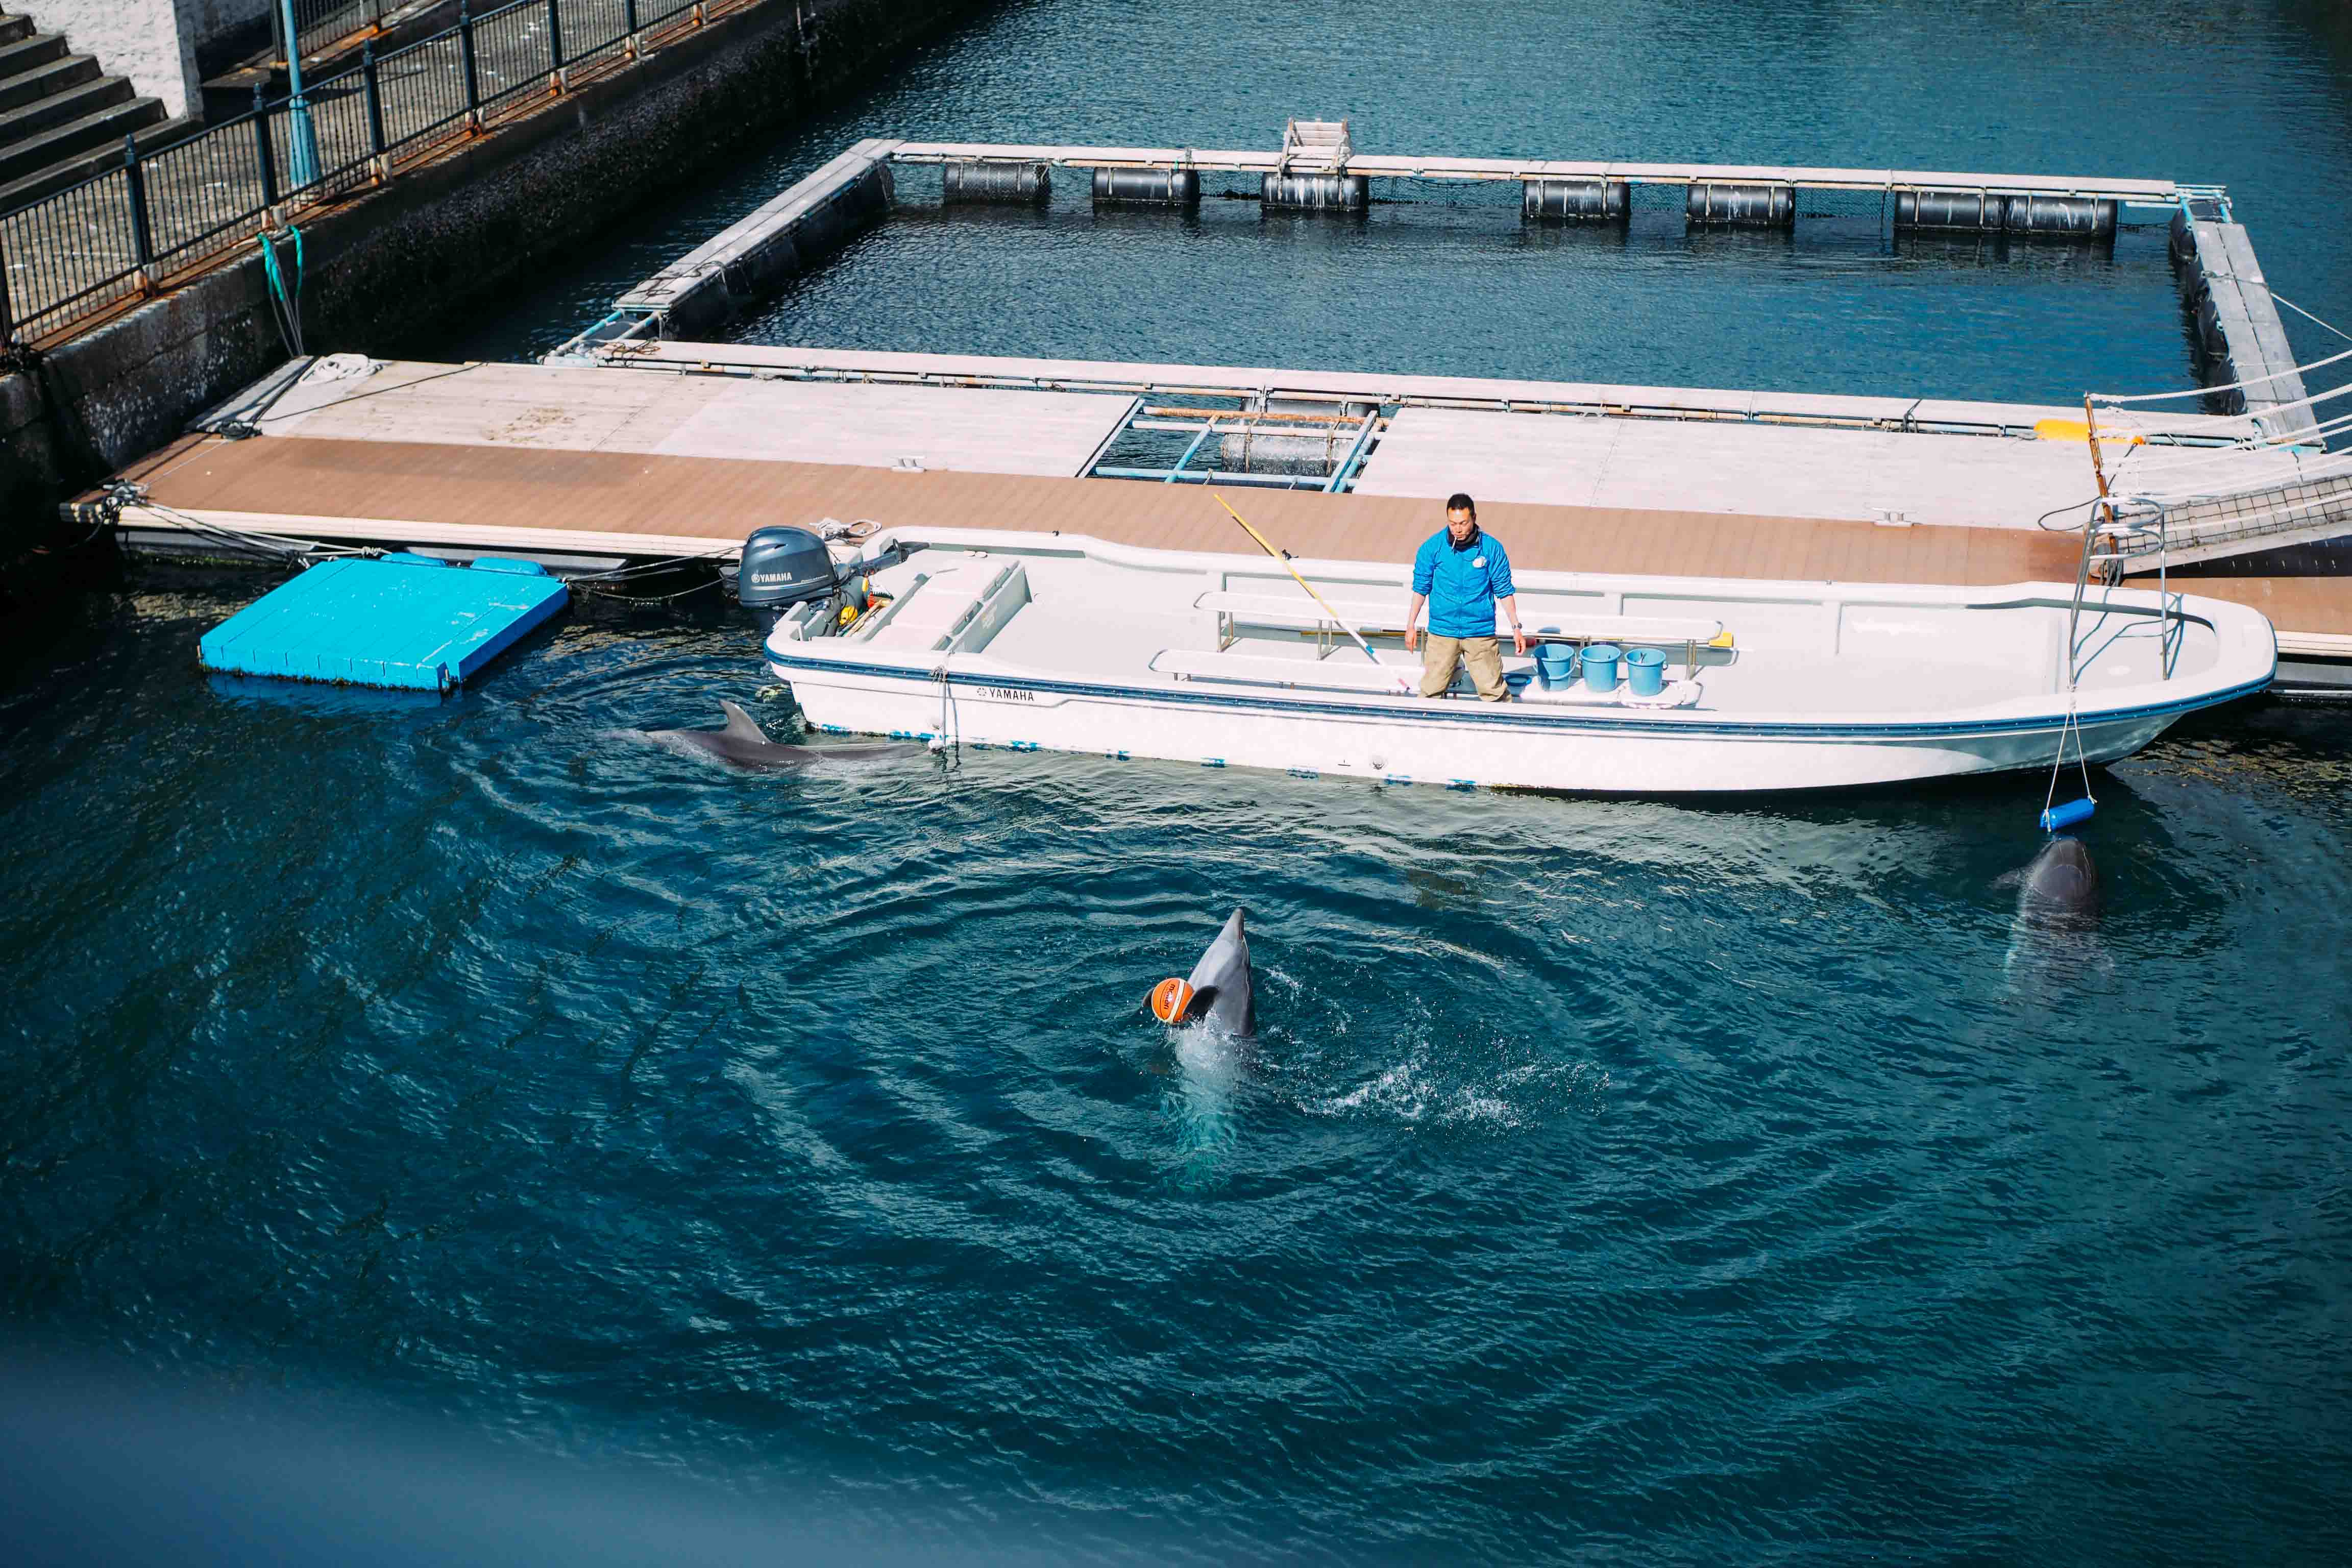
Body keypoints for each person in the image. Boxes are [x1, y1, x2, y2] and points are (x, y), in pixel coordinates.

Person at [1403, 493, 1526, 701]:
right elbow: (1420, 589)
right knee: (1431, 690)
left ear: (1474, 518)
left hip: (1480, 632)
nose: (1458, 529)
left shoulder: (1492, 549)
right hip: (1443, 631)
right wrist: (1411, 625)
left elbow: (1504, 590)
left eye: (1463, 523)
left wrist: (1516, 628)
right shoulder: (1432, 548)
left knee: (1494, 692)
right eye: (1452, 524)